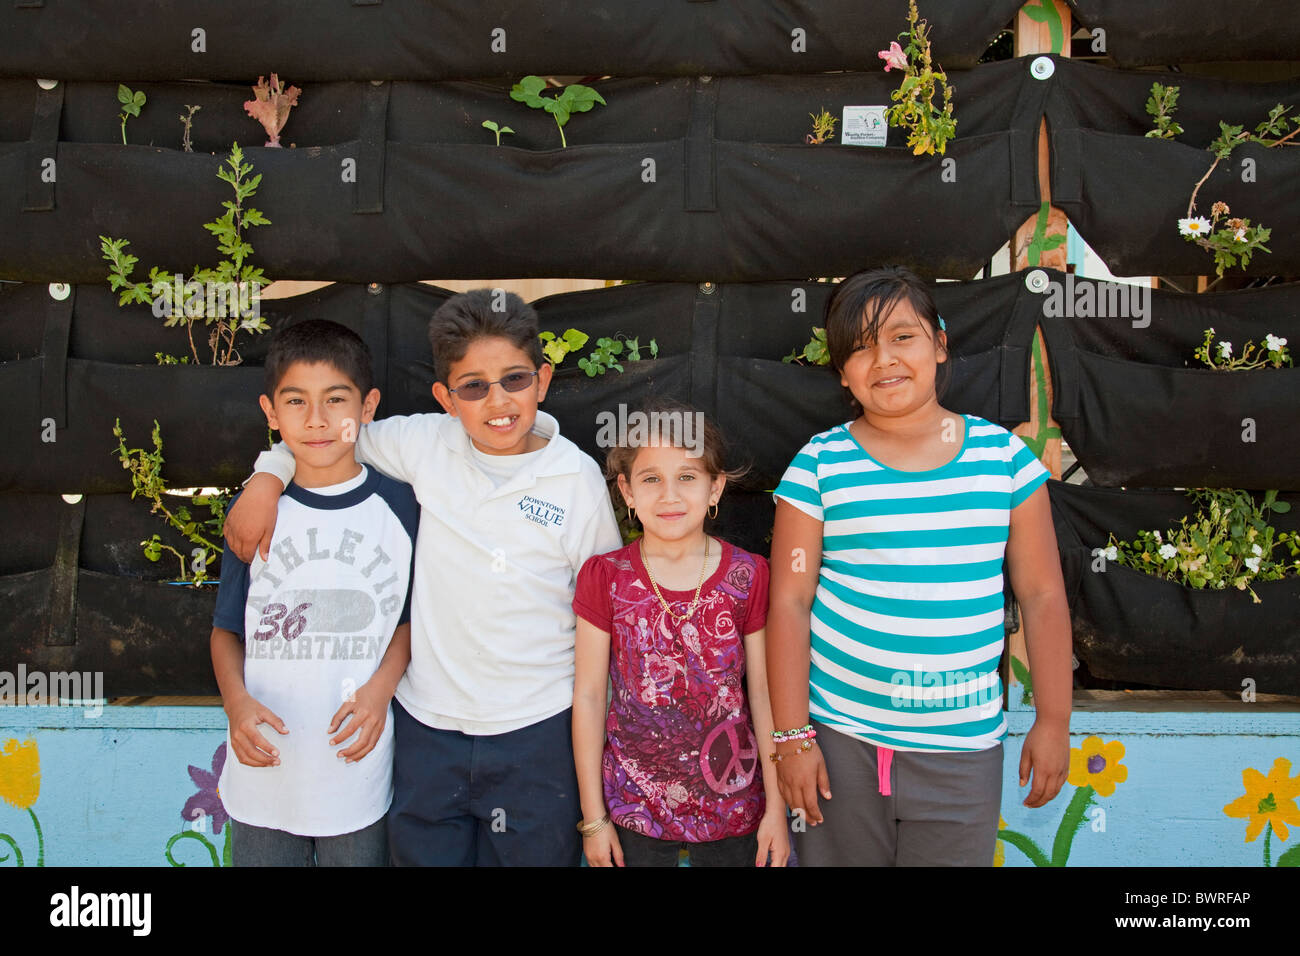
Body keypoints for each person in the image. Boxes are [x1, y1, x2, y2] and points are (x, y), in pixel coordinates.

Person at [223, 289, 622, 866]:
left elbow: (602, 618)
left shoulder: (576, 479)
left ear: (543, 379)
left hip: (537, 733)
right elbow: (326, 437)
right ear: (445, 397)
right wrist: (268, 476)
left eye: (514, 380)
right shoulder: (421, 444)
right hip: (427, 733)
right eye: (473, 387)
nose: (497, 402)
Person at [767, 265, 1073, 867]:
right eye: (859, 347)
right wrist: (791, 737)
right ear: (842, 372)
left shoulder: (1003, 459)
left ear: (938, 342)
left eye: (901, 337)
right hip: (839, 739)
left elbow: (1040, 594)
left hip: (961, 748)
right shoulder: (819, 464)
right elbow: (790, 602)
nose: (883, 359)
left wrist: (1054, 719)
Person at [210, 319, 418, 866]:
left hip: (357, 775)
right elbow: (226, 628)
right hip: (264, 777)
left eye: (336, 399)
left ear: (368, 406)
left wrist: (380, 689)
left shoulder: (404, 508)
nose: (318, 420)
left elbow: (412, 621)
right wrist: (235, 703)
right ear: (270, 412)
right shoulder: (255, 511)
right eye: (296, 401)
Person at [572, 400, 790, 867]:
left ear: (716, 487)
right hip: (634, 816)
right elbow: (590, 696)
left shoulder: (749, 575)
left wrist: (776, 808)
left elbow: (765, 694)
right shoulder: (605, 577)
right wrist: (594, 819)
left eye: (687, 477)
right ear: (627, 491)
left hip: (736, 813)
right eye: (651, 479)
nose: (669, 495)